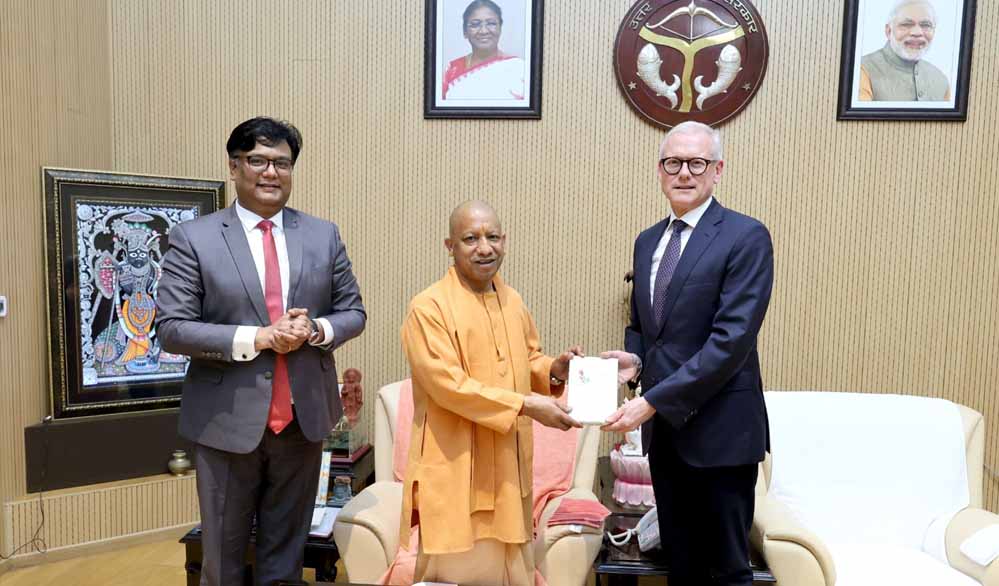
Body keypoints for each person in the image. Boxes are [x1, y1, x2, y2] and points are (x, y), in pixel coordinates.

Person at [156, 117, 366, 586]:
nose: (271, 172)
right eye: (258, 160)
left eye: (282, 163)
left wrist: (315, 329)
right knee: (224, 563)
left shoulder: (323, 235)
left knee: (286, 558)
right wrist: (260, 337)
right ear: (234, 167)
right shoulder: (195, 238)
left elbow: (353, 312)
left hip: (302, 422)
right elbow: (172, 329)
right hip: (226, 422)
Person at [601, 121, 774, 586]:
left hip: (722, 435)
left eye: (697, 163)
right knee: (681, 568)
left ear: (718, 170)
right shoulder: (647, 241)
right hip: (668, 438)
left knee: (726, 570)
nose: (684, 173)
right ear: (659, 170)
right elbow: (646, 329)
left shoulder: (745, 236)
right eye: (673, 162)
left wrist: (652, 401)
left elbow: (731, 341)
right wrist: (636, 361)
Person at [396, 200, 582, 585]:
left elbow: (527, 358)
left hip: (507, 467)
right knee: (453, 572)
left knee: (512, 570)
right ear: (450, 246)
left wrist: (553, 369)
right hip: (455, 466)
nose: (485, 248)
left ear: (505, 241)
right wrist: (525, 405)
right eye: (471, 239)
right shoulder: (428, 307)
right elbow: (448, 386)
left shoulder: (512, 300)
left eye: (492, 237)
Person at [859, 0, 950, 102]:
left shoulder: (940, 80)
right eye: (906, 24)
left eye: (926, 25)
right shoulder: (862, 70)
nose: (917, 32)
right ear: (888, 31)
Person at [442, 0, 525, 100]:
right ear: (465, 32)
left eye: (491, 23)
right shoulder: (452, 70)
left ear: (500, 28)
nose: (483, 31)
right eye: (475, 24)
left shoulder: (519, 69)